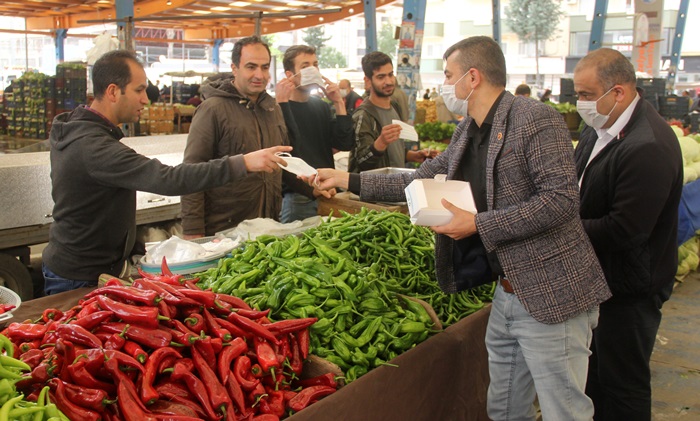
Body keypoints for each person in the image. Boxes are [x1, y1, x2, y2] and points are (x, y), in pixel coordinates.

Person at [306, 36, 611, 420]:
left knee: (563, 410)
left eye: (449, 76)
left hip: (552, 294)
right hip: (507, 293)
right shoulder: (470, 129)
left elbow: (561, 201)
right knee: (503, 407)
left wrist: (479, 224)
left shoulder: (535, 118)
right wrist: (346, 179)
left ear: (472, 77)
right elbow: (419, 180)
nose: (445, 85)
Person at [41, 50, 290, 295]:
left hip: (88, 266)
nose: (146, 100)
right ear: (113, 91)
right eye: (139, 90)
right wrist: (243, 163)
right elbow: (169, 179)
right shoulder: (93, 147)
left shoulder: (83, 132)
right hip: (78, 276)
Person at [572, 48, 683, 421]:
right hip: (600, 281)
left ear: (617, 92)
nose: (580, 104)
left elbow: (625, 230)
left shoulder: (647, 146)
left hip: (630, 290)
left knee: (624, 385)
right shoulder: (599, 128)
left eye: (586, 95)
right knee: (596, 379)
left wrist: (558, 232)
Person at [181, 36, 289, 238]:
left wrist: (312, 187)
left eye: (265, 67)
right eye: (251, 67)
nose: (259, 74)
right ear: (234, 68)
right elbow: (191, 171)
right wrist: (193, 231)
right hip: (224, 231)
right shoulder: (212, 109)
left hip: (268, 227)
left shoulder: (273, 108)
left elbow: (284, 161)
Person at [274, 45, 353, 222]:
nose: (312, 70)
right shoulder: (277, 109)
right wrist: (283, 103)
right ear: (289, 75)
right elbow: (288, 148)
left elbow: (344, 143)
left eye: (315, 65)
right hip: (298, 197)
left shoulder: (321, 106)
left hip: (328, 190)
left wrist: (339, 103)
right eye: (305, 66)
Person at [348, 51, 429, 172]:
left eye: (390, 75)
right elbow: (362, 161)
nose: (389, 81)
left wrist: (413, 155)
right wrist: (381, 142)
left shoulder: (395, 106)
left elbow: (393, 150)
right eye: (381, 77)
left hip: (396, 184)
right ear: (368, 80)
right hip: (375, 188)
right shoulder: (363, 115)